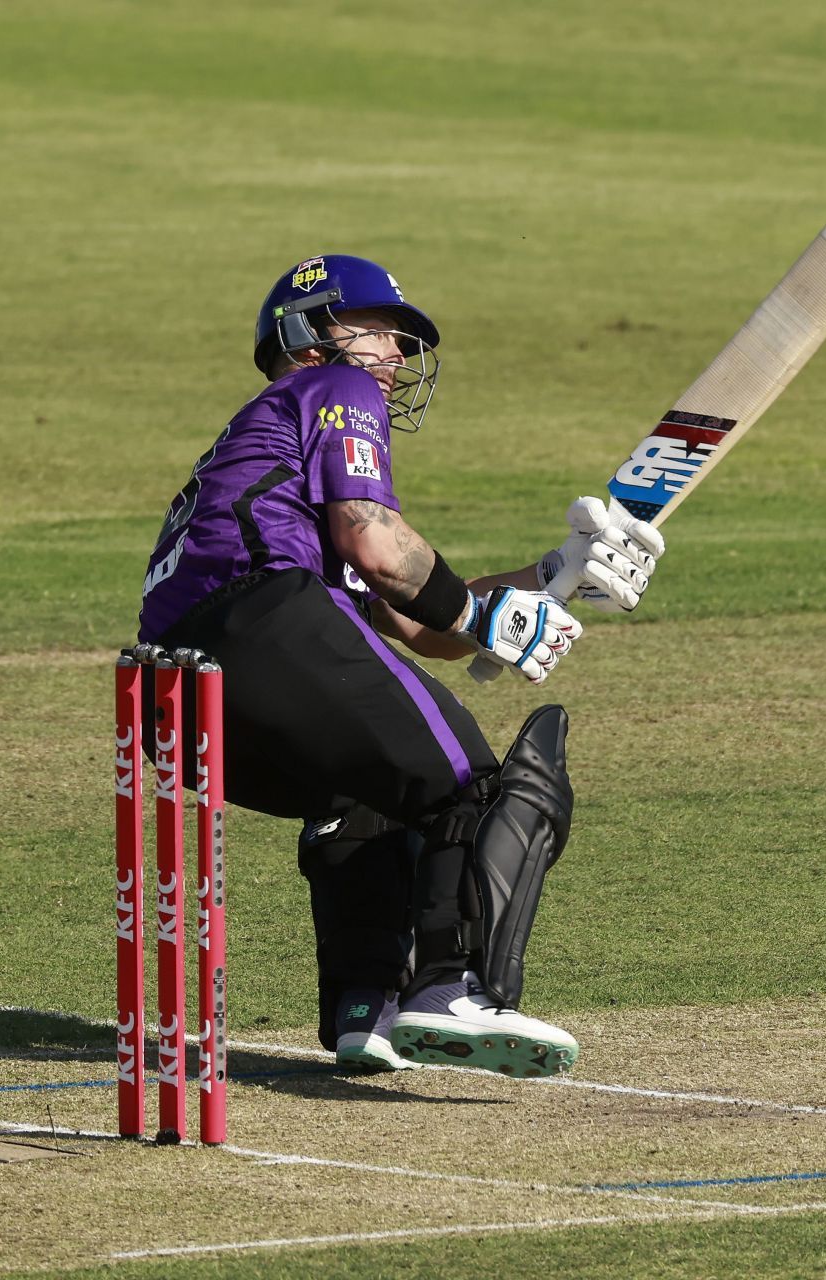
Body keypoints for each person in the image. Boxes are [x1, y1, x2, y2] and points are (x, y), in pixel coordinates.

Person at [134, 254, 664, 1078]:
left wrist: (555, 574)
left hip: (172, 705)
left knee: (369, 786)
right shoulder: (328, 392)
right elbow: (378, 545)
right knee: (480, 790)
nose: (395, 354)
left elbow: (422, 629)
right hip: (267, 626)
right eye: (376, 331)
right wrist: (480, 615)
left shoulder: (263, 451)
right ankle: (455, 989)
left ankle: (365, 1006)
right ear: (310, 337)